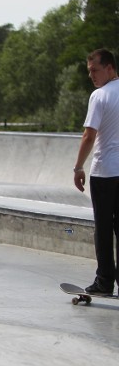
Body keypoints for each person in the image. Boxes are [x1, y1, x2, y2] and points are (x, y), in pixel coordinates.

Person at [73, 48, 119, 295]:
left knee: (103, 228)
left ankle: (104, 282)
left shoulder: (99, 96)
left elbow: (89, 135)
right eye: (89, 71)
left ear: (110, 68)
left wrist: (78, 166)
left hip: (104, 173)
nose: (92, 76)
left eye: (95, 70)